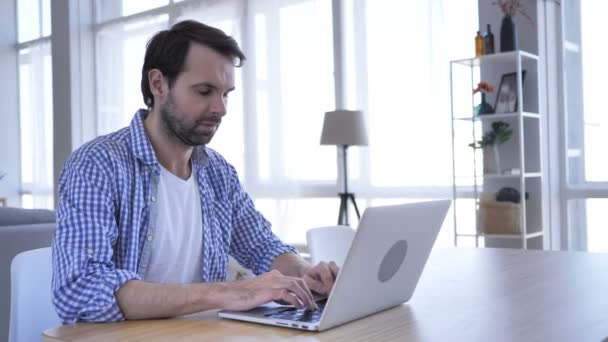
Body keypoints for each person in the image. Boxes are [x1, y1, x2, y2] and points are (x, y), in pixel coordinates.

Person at [52, 20, 338, 323]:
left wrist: (305, 271)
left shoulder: (217, 172)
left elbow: (262, 245)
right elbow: (79, 288)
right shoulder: (97, 165)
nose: (222, 108)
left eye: (226, 93)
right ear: (158, 84)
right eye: (205, 91)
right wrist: (229, 293)